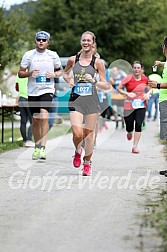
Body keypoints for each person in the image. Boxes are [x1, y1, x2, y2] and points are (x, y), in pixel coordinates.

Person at [63, 31, 108, 176]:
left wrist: (94, 80)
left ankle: (87, 163)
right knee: (77, 133)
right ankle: (77, 151)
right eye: (84, 40)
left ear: (93, 43)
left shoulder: (97, 62)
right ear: (81, 42)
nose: (86, 43)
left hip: (91, 100)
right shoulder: (73, 59)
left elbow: (105, 85)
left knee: (89, 136)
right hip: (76, 99)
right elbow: (64, 73)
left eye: (88, 40)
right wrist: (69, 80)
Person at [18, 31, 62, 160]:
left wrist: (54, 75)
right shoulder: (29, 55)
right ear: (35, 41)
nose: (41, 42)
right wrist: (30, 73)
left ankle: (43, 147)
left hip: (47, 90)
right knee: (36, 120)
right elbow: (21, 73)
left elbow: (60, 71)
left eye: (44, 40)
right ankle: (37, 146)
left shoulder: (53, 55)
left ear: (48, 42)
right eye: (39, 40)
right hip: (32, 91)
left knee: (44, 117)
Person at [117, 61, 151, 154]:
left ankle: (135, 146)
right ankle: (129, 131)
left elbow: (151, 87)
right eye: (134, 68)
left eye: (138, 68)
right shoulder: (128, 78)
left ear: (141, 69)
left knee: (139, 124)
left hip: (141, 105)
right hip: (129, 105)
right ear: (132, 69)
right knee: (129, 125)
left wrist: (148, 94)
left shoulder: (145, 79)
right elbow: (119, 88)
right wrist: (128, 93)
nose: (136, 69)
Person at [15, 74, 34, 147]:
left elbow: (17, 88)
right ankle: (29, 140)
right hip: (29, 98)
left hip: (21, 99)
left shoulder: (19, 74)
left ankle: (25, 140)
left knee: (23, 121)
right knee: (33, 121)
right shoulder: (31, 73)